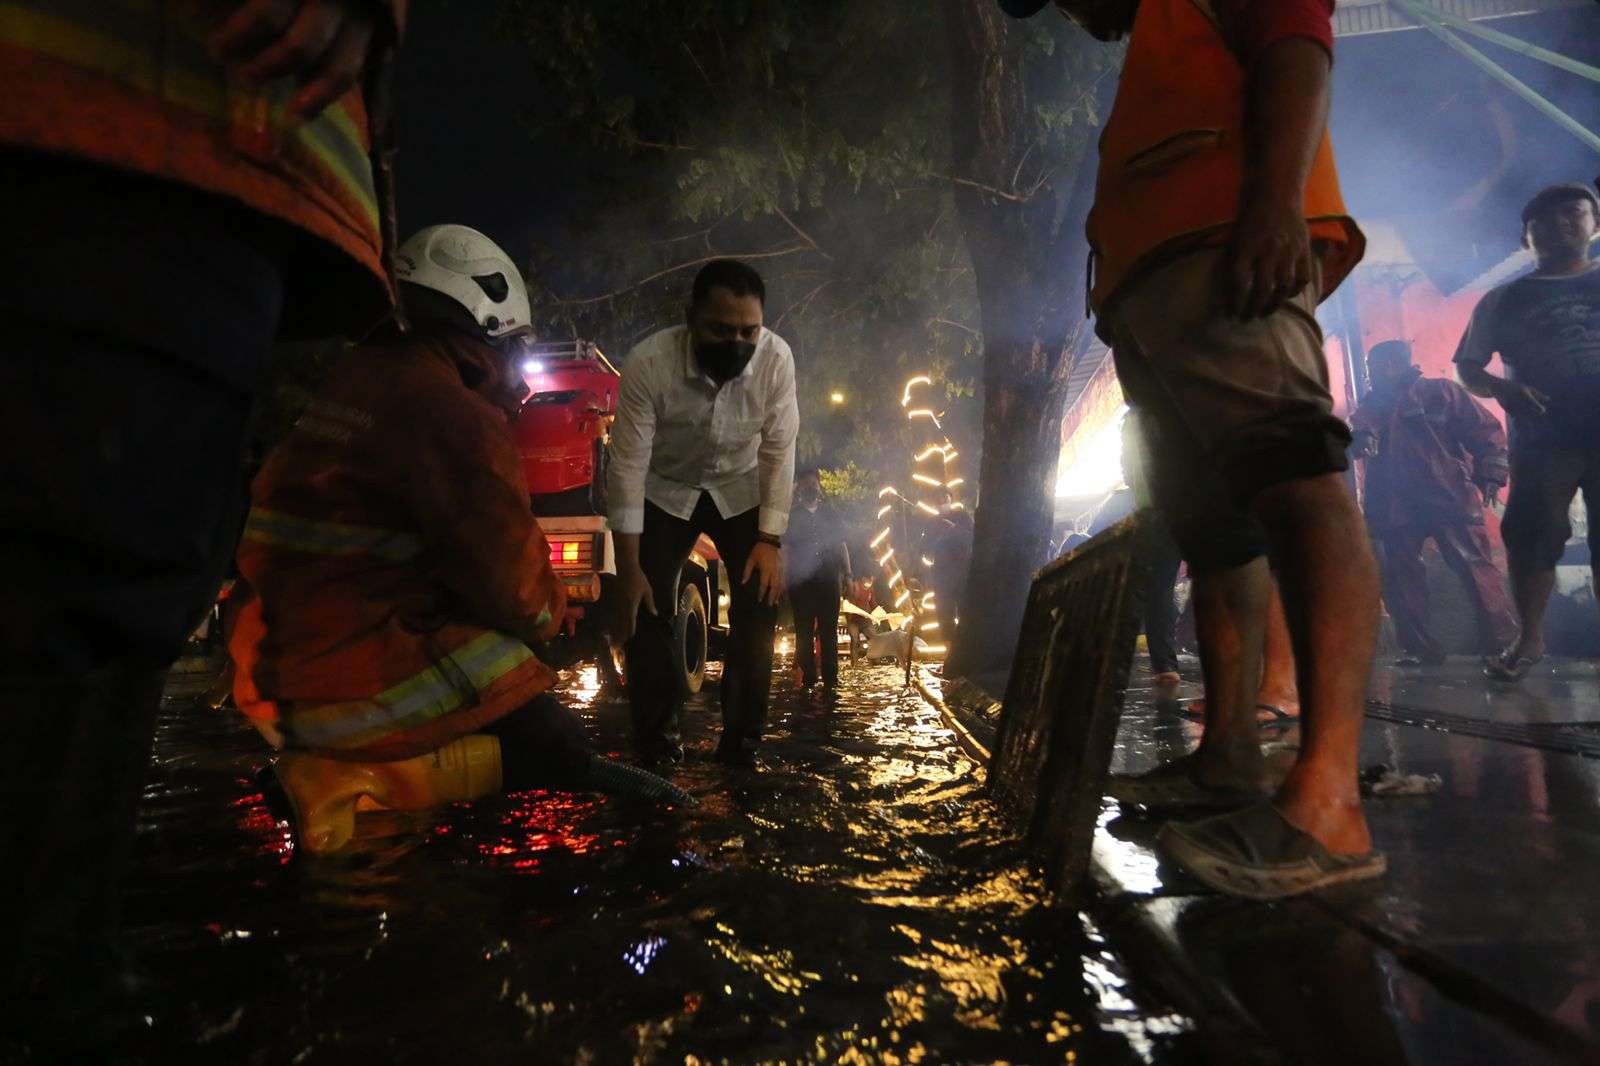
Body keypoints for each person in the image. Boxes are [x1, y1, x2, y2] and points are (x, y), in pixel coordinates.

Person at [0, 0, 403, 1045]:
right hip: (152, 148)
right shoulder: (444, 412)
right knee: (90, 595)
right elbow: (505, 579)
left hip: (201, 158)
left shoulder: (362, 397)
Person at [1003, 0, 1381, 898]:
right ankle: (1228, 760)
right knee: (1214, 533)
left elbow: (1297, 42)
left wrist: (1276, 209)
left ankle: (1328, 806)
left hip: (1230, 251)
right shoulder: (1157, 30)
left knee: (1296, 482)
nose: (1076, 12)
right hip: (1158, 286)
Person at [229, 225, 689, 855]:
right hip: (348, 684)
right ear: (488, 333)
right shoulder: (448, 412)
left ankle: (367, 814)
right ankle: (347, 781)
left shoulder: (349, 385)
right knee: (554, 740)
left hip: (273, 671)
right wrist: (563, 618)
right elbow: (521, 600)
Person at [609, 260, 800, 767]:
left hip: (740, 489)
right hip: (665, 488)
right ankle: (657, 745)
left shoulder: (777, 360)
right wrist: (628, 568)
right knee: (646, 609)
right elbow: (627, 466)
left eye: (748, 331)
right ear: (690, 316)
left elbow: (780, 449)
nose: (736, 342)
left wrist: (771, 540)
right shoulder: (649, 363)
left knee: (758, 608)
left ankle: (742, 745)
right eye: (720, 329)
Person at [1455, 183, 1600, 680]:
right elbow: (1468, 368)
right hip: (1544, 440)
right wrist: (1503, 390)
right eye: (1542, 219)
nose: (1559, 223)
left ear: (1594, 225)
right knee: (1533, 537)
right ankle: (1530, 637)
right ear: (1525, 239)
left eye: (1572, 213)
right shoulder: (1504, 299)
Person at [1352, 339, 1516, 666]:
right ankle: (1418, 648)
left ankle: (1503, 645)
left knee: (1474, 567)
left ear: (1388, 365)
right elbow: (1355, 441)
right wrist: (1359, 439)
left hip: (1447, 495)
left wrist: (1491, 474)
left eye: (1372, 368)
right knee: (1400, 575)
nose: (1370, 375)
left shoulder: (1442, 392)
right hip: (1396, 504)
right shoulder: (1370, 408)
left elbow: (1486, 434)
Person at [786, 468, 852, 691]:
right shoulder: (792, 515)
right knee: (803, 631)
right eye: (805, 484)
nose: (810, 487)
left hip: (828, 580)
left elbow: (842, 544)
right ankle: (809, 679)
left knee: (829, 631)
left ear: (818, 484)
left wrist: (849, 575)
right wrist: (783, 576)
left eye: (813, 483)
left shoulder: (830, 513)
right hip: (801, 583)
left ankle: (831, 679)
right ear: (799, 488)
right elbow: (784, 548)